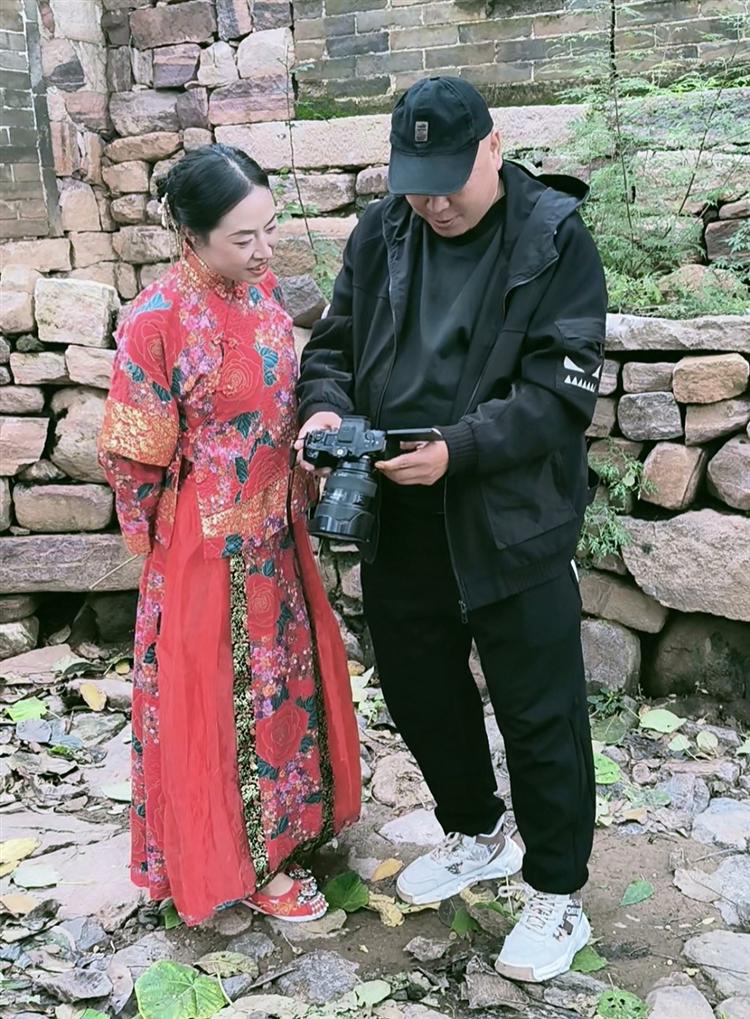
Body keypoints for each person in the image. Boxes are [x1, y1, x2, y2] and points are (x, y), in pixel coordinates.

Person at [296, 77, 607, 981]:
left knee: (540, 710)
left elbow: (559, 394)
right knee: (419, 690)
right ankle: (477, 831)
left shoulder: (554, 238)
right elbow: (331, 347)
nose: (431, 203)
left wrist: (460, 448)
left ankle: (558, 892)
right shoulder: (381, 231)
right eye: (415, 185)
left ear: (493, 148)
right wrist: (323, 411)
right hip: (397, 507)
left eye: (447, 183)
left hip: (510, 515)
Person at [98, 144, 360, 927]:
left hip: (278, 532)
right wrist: (160, 552)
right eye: (243, 238)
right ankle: (241, 863)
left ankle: (289, 827)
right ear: (192, 234)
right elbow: (132, 455)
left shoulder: (262, 292)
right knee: (222, 707)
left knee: (284, 687)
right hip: (205, 548)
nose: (264, 250)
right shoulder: (156, 321)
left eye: (269, 229)